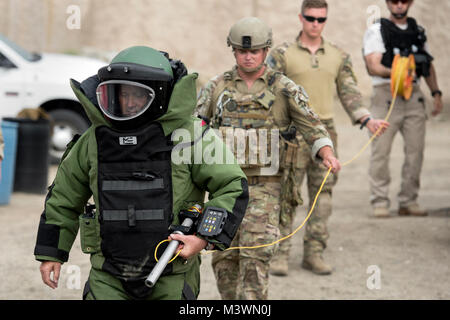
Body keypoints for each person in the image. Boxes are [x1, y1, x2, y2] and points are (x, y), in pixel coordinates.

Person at [34, 46, 249, 300]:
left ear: (158, 95)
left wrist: (202, 239)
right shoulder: (94, 140)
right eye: (122, 94)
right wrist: (51, 253)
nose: (129, 102)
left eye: (138, 95)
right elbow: (63, 198)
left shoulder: (191, 136)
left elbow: (232, 185)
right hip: (108, 274)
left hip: (172, 272)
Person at [195, 17, 340, 300]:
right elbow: (196, 127)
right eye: (241, 50)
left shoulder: (284, 88)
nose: (248, 56)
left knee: (255, 257)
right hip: (224, 188)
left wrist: (326, 153)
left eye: (255, 51)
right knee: (224, 260)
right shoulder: (216, 87)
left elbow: (313, 126)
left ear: (266, 51)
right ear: (233, 50)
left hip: (265, 187)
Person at [266, 0, 390, 276]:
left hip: (326, 134)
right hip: (292, 134)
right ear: (301, 17)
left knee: (323, 196)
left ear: (325, 20)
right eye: (310, 18)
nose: (315, 23)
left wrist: (367, 119)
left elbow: (349, 92)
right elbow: (268, 91)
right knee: (288, 194)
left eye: (320, 19)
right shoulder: (282, 54)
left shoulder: (337, 55)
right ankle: (280, 254)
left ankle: (314, 252)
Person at [363, 0, 443, 218]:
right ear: (388, 3)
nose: (399, 5)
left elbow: (427, 64)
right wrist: (400, 71)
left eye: (404, 0)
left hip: (414, 96)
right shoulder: (377, 30)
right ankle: (379, 201)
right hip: (386, 95)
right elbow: (373, 64)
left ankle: (408, 200)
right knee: (381, 151)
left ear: (410, 3)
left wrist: (436, 92)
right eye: (394, 1)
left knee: (415, 152)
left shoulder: (418, 31)